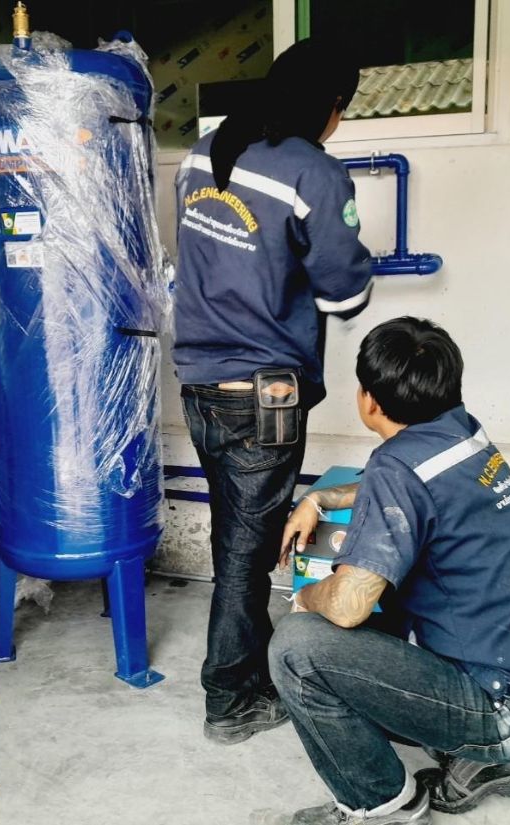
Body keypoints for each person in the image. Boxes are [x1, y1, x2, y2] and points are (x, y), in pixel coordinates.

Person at [264, 317, 510, 825]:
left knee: (298, 648)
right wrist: (321, 499)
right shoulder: (460, 432)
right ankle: (487, 763)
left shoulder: (398, 467)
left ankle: (383, 806)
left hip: (502, 712)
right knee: (378, 616)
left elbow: (347, 606)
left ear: (368, 400)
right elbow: (408, 488)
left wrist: (307, 598)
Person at [172, 39, 374, 745]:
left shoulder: (202, 153)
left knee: (235, 538)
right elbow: (346, 295)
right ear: (331, 105)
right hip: (263, 395)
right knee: (246, 555)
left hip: (199, 382)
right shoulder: (312, 170)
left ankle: (248, 673)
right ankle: (230, 700)